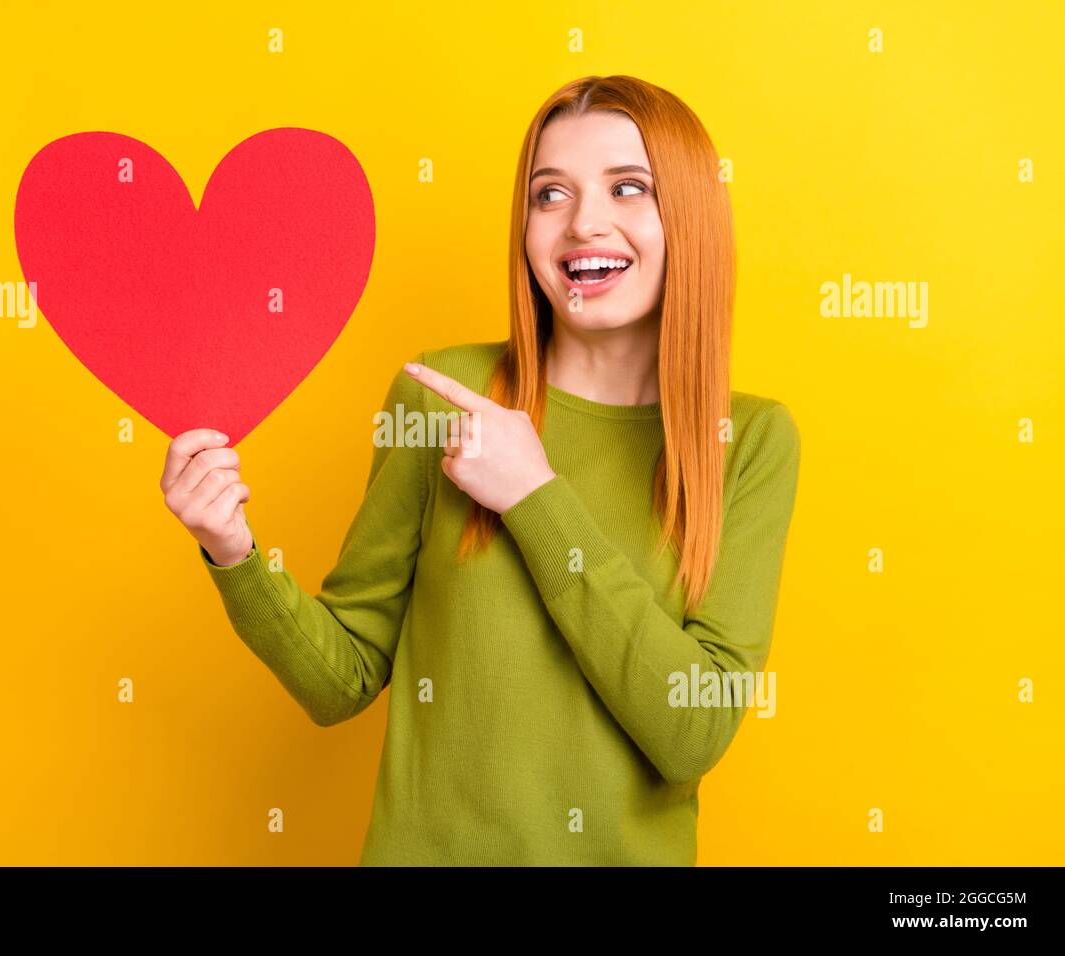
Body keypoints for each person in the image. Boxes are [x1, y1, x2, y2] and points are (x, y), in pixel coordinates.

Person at [160, 74, 801, 865]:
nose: (582, 224)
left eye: (628, 188)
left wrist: (535, 495)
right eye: (549, 195)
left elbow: (690, 731)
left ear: (692, 217)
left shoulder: (751, 440)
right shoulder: (442, 398)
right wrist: (233, 550)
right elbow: (344, 679)